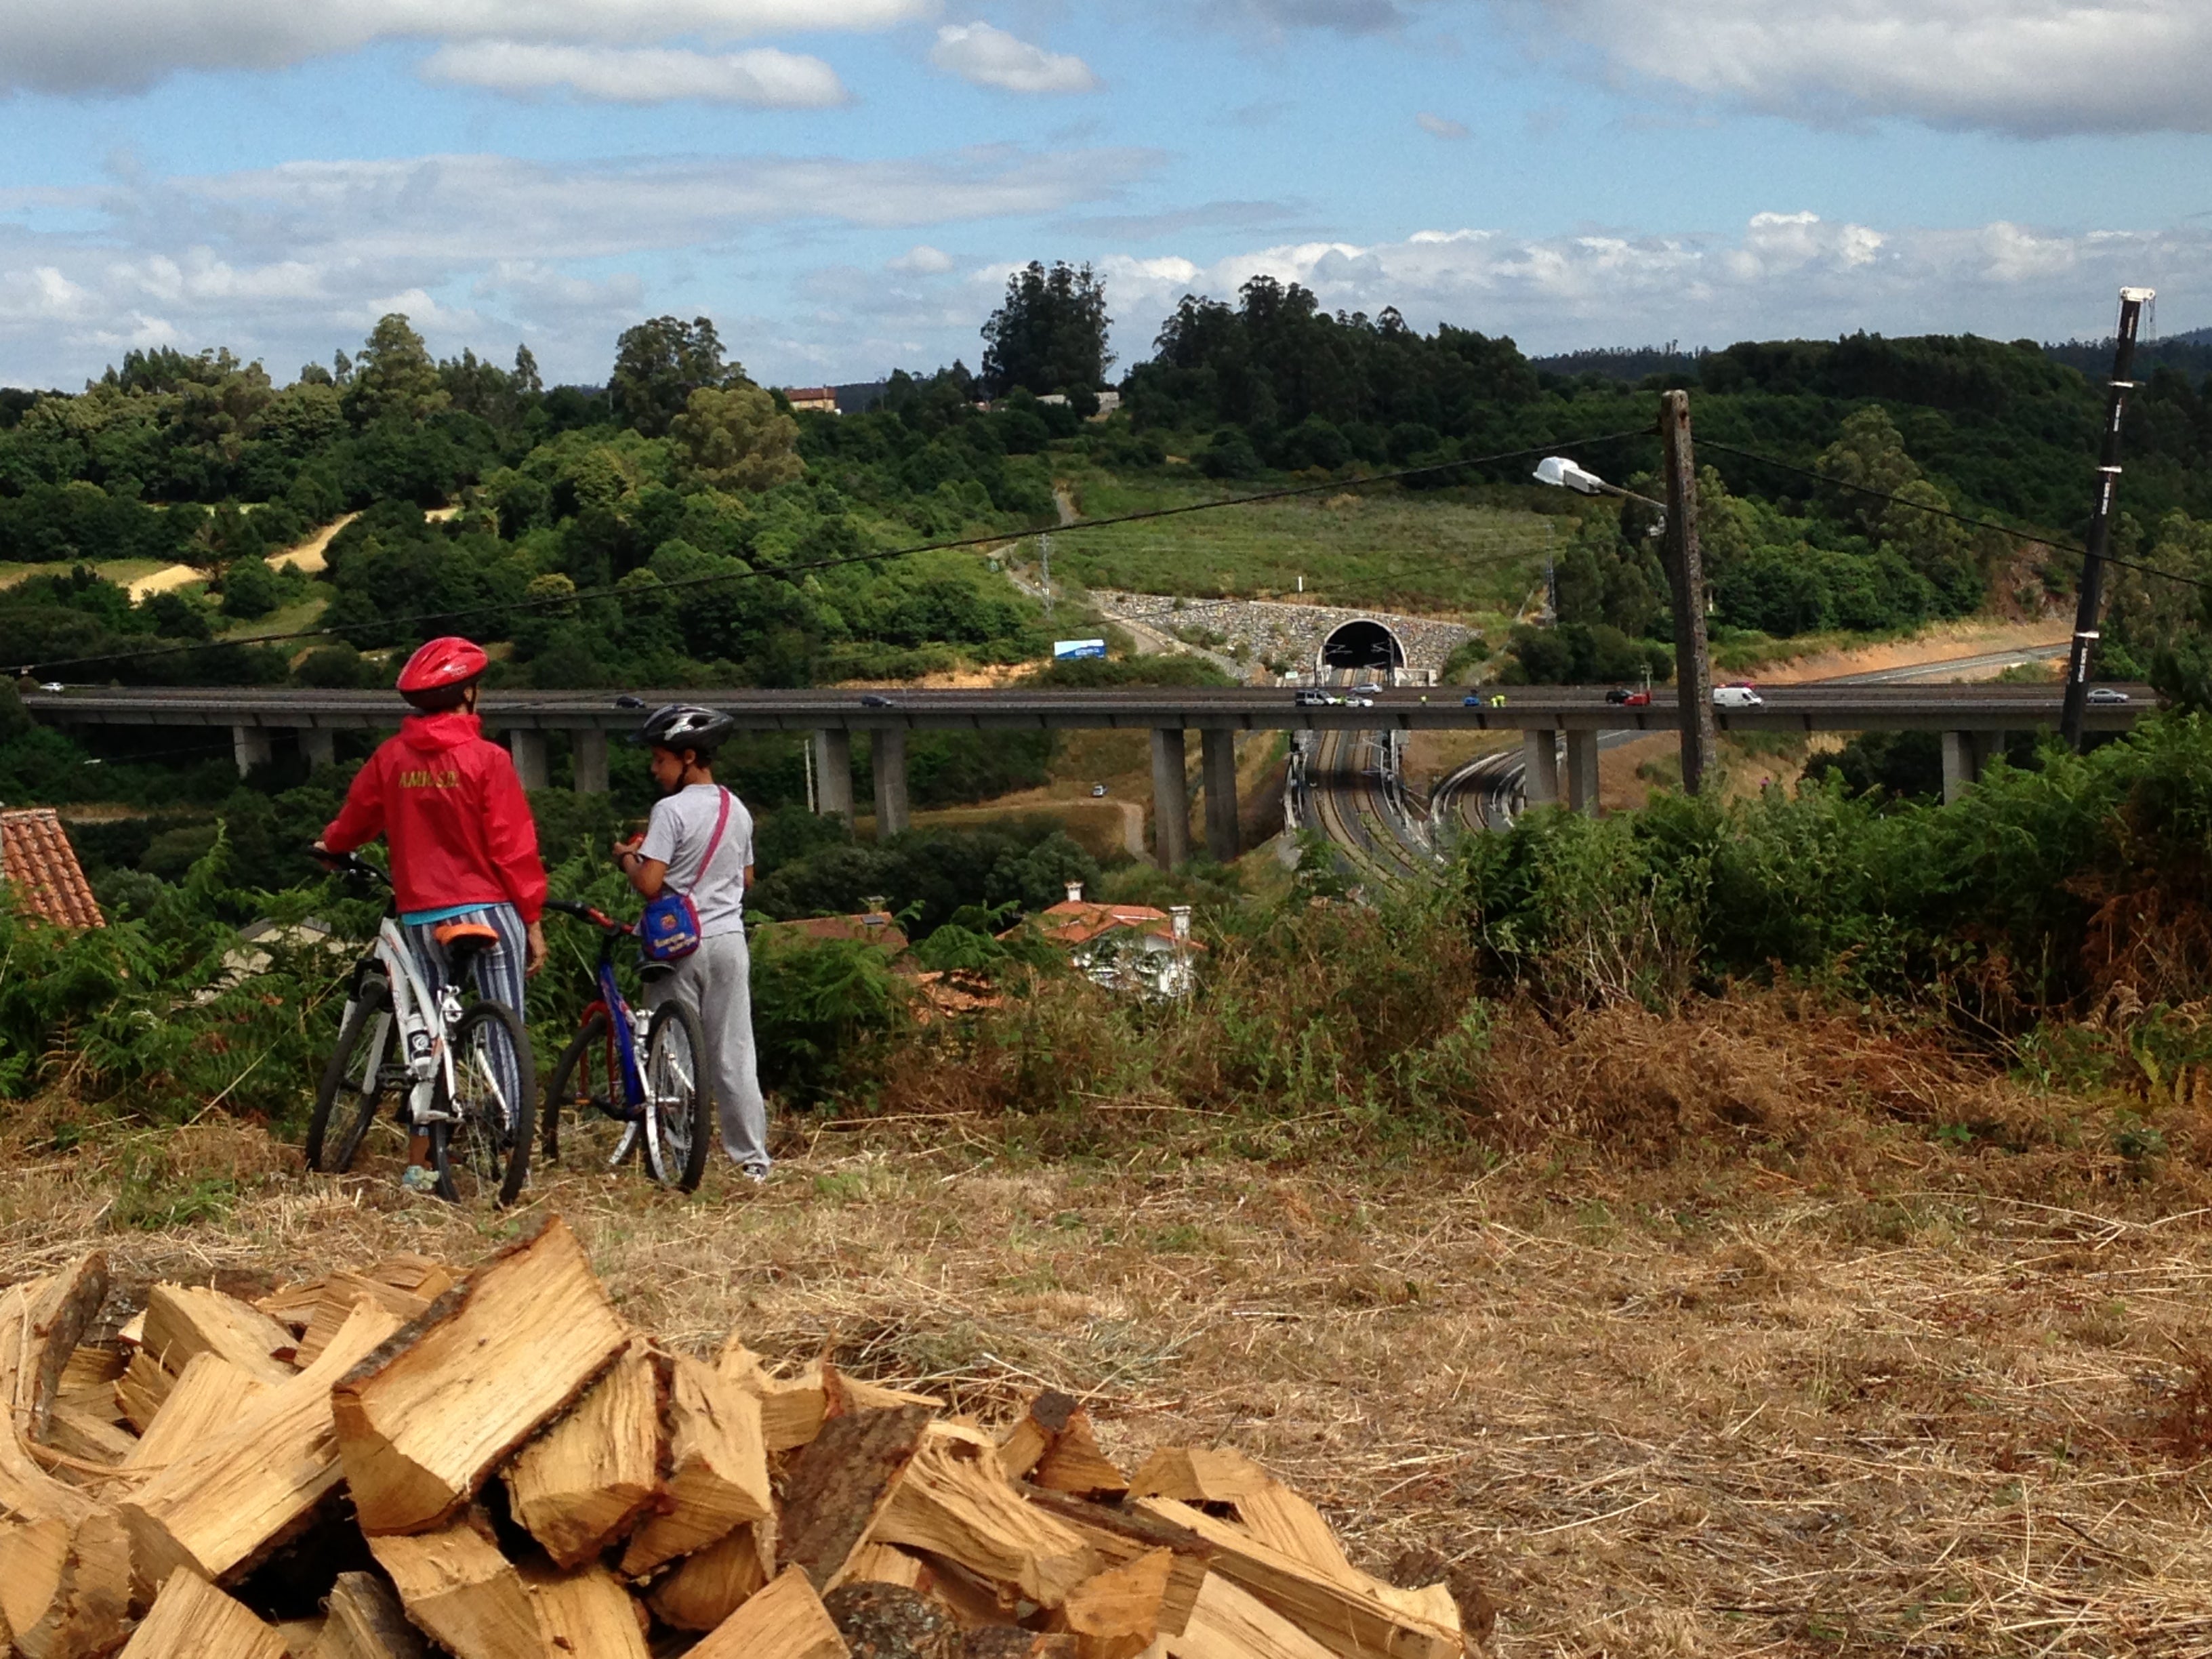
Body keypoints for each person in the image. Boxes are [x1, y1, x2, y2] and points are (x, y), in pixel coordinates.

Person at [316, 636, 547, 1193]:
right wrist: (533, 919)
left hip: (422, 918)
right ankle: (511, 1141)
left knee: (425, 1034)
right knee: (503, 1024)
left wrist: (331, 846)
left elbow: (355, 820)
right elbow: (512, 847)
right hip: (489, 911)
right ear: (468, 694)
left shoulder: (391, 759)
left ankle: (421, 1161)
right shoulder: (488, 759)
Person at [613, 703, 771, 1183]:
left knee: (674, 1049)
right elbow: (747, 878)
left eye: (660, 760)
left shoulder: (670, 811)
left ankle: (679, 1154)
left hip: (677, 944)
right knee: (734, 1053)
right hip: (728, 941)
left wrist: (627, 858)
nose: (654, 769)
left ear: (687, 757)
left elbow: (650, 883)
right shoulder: (736, 808)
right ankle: (752, 1160)